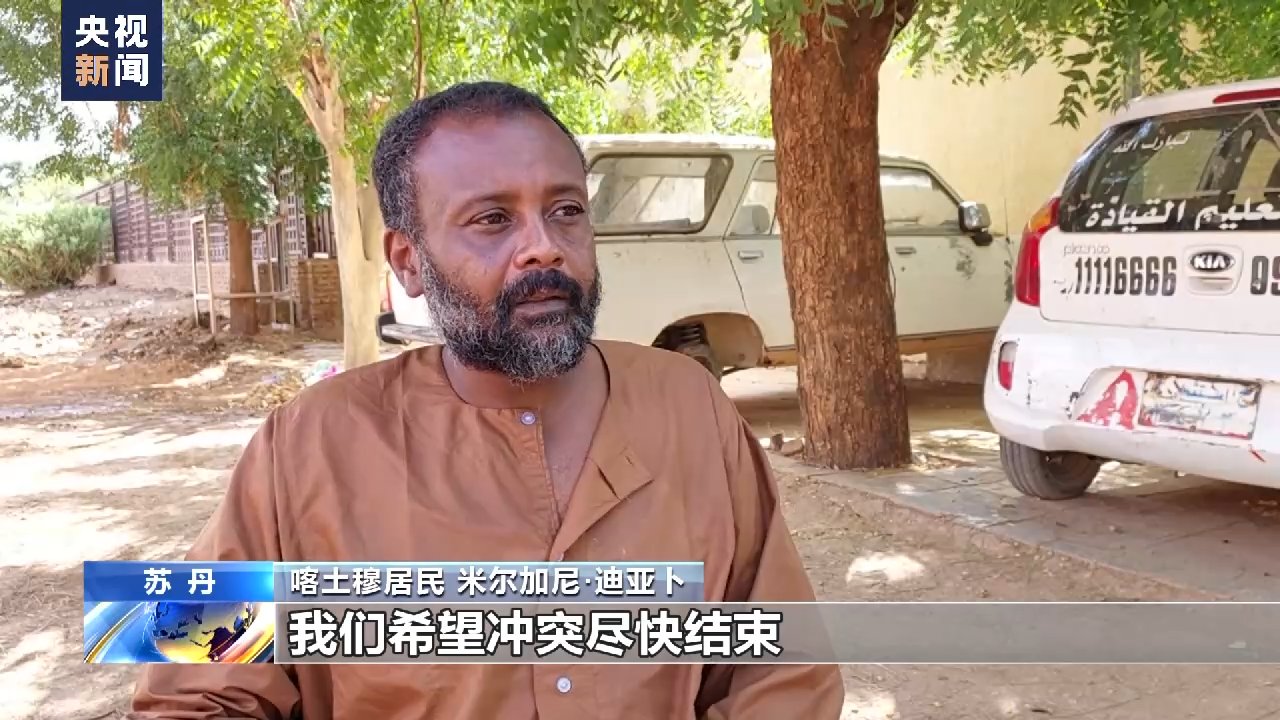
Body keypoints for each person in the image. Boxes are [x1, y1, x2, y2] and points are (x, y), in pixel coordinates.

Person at [130, 81, 844, 719]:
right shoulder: (307, 447)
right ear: (409, 261)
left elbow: (782, 671)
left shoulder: (688, 407)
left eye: (566, 210)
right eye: (493, 220)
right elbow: (191, 691)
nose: (545, 248)